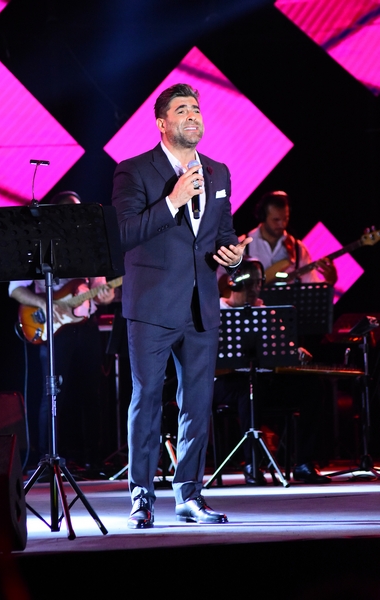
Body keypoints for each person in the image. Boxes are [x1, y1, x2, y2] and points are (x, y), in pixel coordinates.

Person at [112, 83, 250, 528]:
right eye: (182, 109)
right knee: (147, 399)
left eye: (196, 109)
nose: (193, 115)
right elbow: (124, 234)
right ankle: (141, 498)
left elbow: (222, 233)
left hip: (201, 307)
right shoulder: (134, 170)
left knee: (198, 403)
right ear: (162, 123)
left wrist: (232, 255)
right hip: (152, 307)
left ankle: (189, 495)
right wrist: (173, 200)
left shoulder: (218, 172)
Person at [8, 191, 115, 476]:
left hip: (86, 326)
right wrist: (45, 303)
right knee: (53, 394)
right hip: (54, 329)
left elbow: (101, 290)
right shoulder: (39, 244)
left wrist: (105, 294)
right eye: (69, 211)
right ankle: (47, 459)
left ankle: (93, 460)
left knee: (92, 394)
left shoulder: (89, 245)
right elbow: (15, 288)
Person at [214, 257, 331, 485]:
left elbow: (282, 347)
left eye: (258, 283)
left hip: (262, 379)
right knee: (248, 389)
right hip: (225, 381)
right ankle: (252, 463)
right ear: (233, 282)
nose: (255, 289)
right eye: (249, 283)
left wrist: (294, 351)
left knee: (312, 386)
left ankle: (304, 462)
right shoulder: (216, 310)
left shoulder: (265, 311)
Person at [247, 190, 338, 285]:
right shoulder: (243, 246)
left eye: (285, 219)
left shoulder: (298, 249)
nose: (282, 224)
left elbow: (311, 286)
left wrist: (330, 281)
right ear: (262, 217)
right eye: (276, 220)